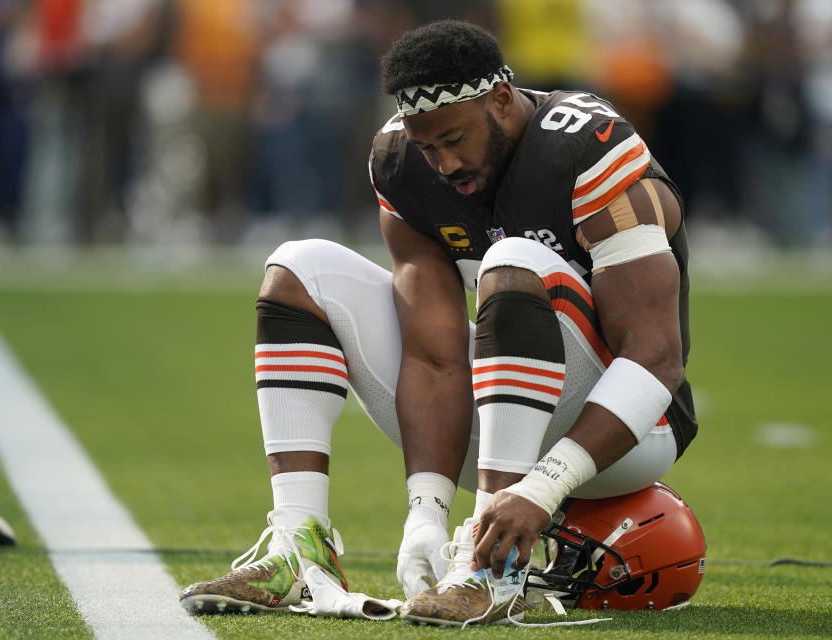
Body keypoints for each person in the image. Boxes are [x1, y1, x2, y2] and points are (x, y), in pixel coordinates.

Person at [180, 19, 699, 625]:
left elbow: (657, 355)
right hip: (496, 410)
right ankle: (300, 547)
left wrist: (541, 490)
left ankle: (490, 566)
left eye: (455, 139)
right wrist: (424, 508)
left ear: (501, 101)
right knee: (298, 269)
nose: (445, 163)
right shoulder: (402, 162)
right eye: (430, 147)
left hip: (630, 427)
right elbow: (433, 355)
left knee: (513, 263)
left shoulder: (589, 146)